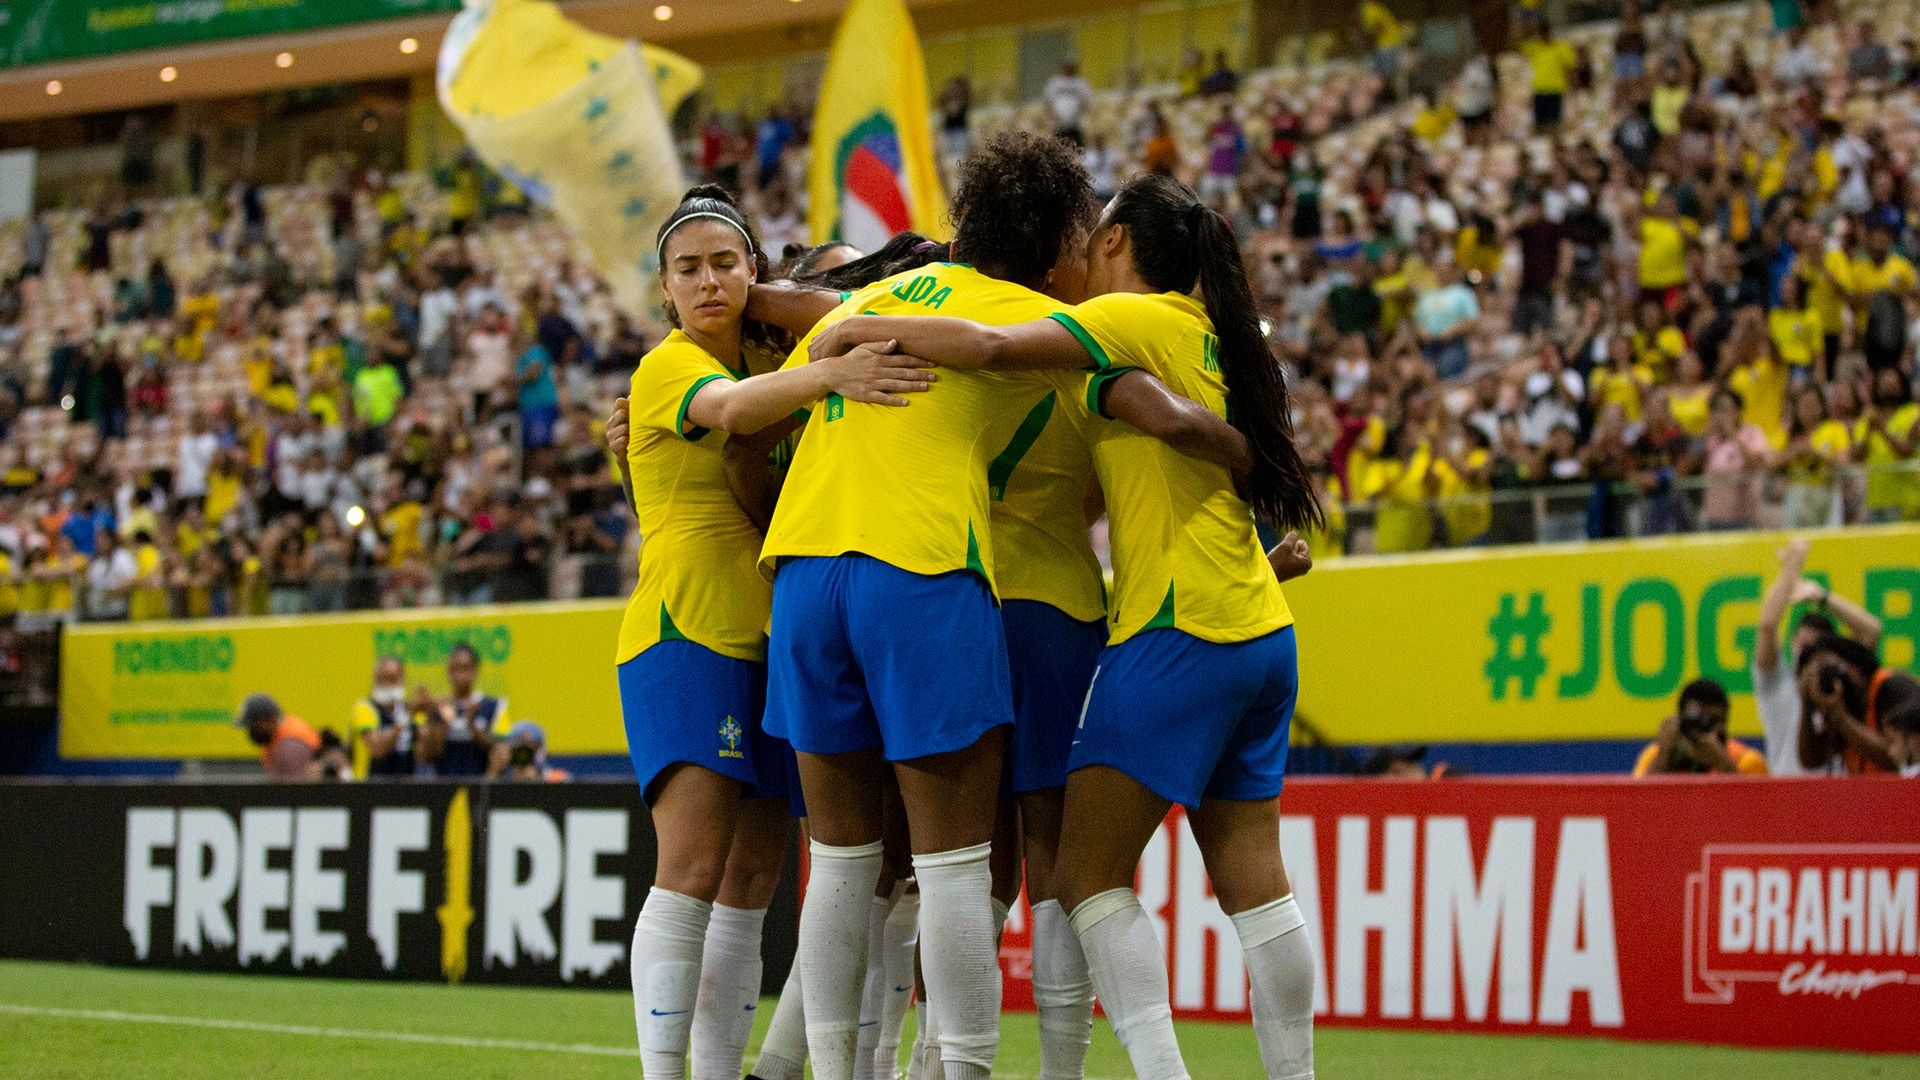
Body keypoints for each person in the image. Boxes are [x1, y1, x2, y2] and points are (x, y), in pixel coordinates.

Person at [809, 173, 1324, 1080]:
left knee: (1061, 877)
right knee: (1254, 885)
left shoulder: (1127, 324)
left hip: (1156, 626)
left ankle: (963, 1063)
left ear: (1116, 240)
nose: (1083, 250)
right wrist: (1240, 453)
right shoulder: (1213, 339)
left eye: (1095, 234)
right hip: (1254, 628)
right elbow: (1178, 461)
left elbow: (989, 345)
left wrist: (852, 324)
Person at [616, 186, 937, 1080]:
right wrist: (828, 375)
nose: (709, 280)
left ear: (756, 274)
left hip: (769, 641)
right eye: (689, 268)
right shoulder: (669, 367)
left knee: (753, 881)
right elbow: (726, 412)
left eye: (726, 263)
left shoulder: (774, 372)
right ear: (666, 287)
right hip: (687, 627)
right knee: (690, 865)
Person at [1754, 538, 1883, 775]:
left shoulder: (1844, 684)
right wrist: (1791, 570)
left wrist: (1819, 595)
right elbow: (1767, 626)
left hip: (1840, 800)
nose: (1807, 654)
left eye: (1816, 650)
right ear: (1792, 644)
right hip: (1789, 802)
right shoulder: (1776, 685)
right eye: (1803, 645)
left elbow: (1872, 631)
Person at [1797, 634, 1920, 775]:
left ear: (1855, 667)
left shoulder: (1890, 688)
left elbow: (1897, 760)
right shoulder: (1841, 705)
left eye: (1830, 669)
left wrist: (1840, 716)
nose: (1828, 678)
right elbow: (1811, 760)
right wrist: (1806, 702)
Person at [1633, 678, 1767, 775]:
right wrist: (1664, 756)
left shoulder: (1746, 760)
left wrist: (1724, 766)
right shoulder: (1654, 756)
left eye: (1713, 721)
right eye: (1698, 723)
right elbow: (1636, 806)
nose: (1706, 733)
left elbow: (1756, 810)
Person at [416, 642, 509, 778]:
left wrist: (472, 724)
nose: (460, 675)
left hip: (480, 789)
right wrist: (436, 719)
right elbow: (427, 755)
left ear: (475, 670)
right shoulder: (438, 706)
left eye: (465, 669)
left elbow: (499, 751)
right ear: (448, 671)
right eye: (454, 669)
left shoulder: (493, 706)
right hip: (443, 787)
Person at [352, 655, 417, 779]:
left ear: (402, 680)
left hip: (406, 789)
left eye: (392, 679)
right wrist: (402, 721)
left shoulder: (410, 710)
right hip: (371, 788)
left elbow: (423, 753)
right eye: (381, 679)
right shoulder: (365, 709)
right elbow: (377, 749)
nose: (386, 684)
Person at [234, 693, 321, 781]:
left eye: (254, 725)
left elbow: (295, 791)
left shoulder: (288, 748)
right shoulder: (283, 730)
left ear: (271, 720)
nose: (251, 731)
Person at [487, 721, 571, 781]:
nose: (523, 755)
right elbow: (484, 800)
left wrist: (536, 780)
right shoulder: (500, 779)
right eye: (518, 748)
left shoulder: (558, 778)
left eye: (527, 749)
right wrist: (494, 770)